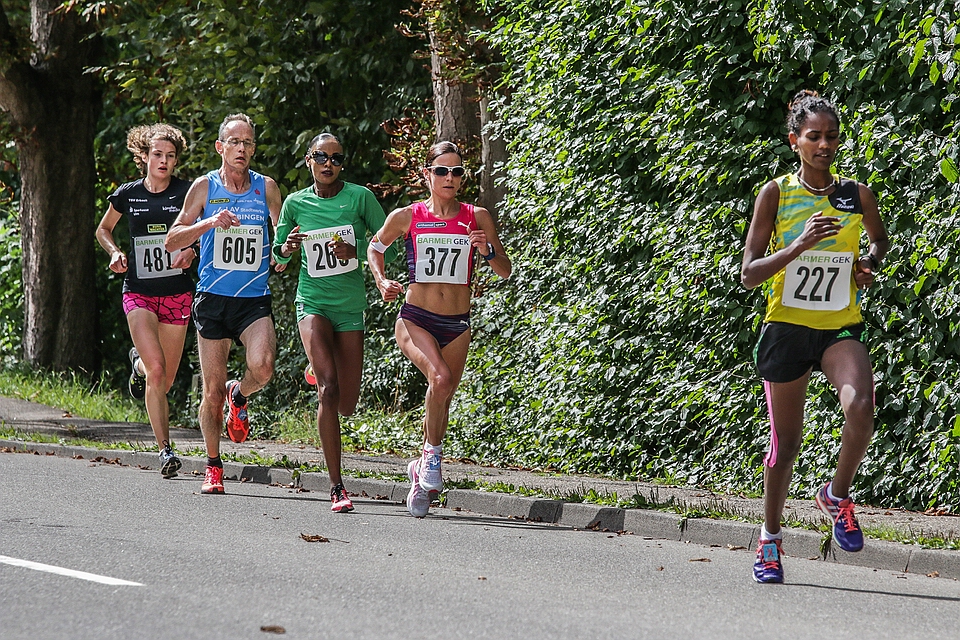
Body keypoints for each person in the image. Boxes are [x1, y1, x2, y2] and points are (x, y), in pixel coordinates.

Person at [741, 90, 890, 583]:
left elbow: (879, 240)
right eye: (814, 136)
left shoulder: (855, 195)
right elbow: (749, 273)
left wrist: (867, 264)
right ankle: (770, 539)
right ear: (795, 141)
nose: (824, 145)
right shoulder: (776, 194)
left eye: (831, 136)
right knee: (785, 446)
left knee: (861, 407)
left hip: (838, 326)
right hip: (786, 328)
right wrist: (799, 245)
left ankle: (836, 495)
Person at [367, 141, 512, 517]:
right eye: (442, 170)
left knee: (442, 395)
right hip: (416, 318)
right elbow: (374, 248)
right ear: (427, 175)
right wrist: (382, 281)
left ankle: (420, 468)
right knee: (441, 378)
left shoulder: (476, 216)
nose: (450, 177)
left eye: (457, 171)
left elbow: (505, 269)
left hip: (457, 324)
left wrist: (487, 251)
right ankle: (432, 460)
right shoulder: (407, 216)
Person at [273, 133, 397, 513]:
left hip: (349, 307)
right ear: (308, 160)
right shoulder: (295, 203)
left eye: (337, 158)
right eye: (322, 157)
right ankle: (336, 487)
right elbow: (279, 254)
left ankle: (318, 365)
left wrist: (355, 250)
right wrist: (288, 247)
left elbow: (388, 245)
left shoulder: (360, 198)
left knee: (346, 403)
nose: (329, 164)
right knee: (328, 389)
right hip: (312, 301)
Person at [165, 113, 282, 495]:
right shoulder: (205, 187)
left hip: (253, 299)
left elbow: (281, 236)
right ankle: (213, 465)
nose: (241, 149)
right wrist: (210, 222)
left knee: (263, 367)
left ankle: (241, 394)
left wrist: (283, 252)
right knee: (211, 392)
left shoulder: (266, 188)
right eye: (234, 142)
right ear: (220, 147)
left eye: (247, 143)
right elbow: (172, 240)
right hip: (213, 298)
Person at [95, 123, 195, 480]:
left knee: (163, 382)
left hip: (177, 293)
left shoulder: (187, 192)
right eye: (157, 154)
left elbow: (206, 230)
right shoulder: (128, 193)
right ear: (144, 156)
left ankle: (136, 365)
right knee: (157, 370)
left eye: (170, 155)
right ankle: (165, 450)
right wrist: (114, 251)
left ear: (176, 160)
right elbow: (103, 229)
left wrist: (192, 250)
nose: (164, 161)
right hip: (139, 293)